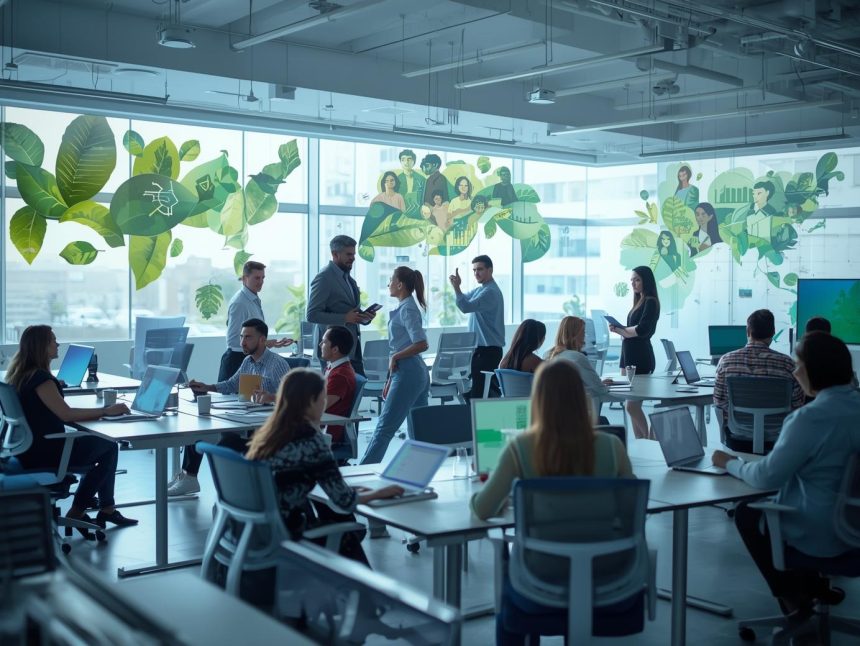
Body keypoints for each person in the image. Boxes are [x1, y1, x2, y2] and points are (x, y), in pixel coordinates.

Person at [712, 332, 860, 617]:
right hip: (855, 526)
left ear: (811, 370)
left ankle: (794, 598)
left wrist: (731, 463)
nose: (794, 371)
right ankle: (813, 585)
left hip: (823, 531)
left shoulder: (810, 419)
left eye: (797, 364)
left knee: (748, 513)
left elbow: (767, 477)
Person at [246, 369, 404, 566]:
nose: (325, 404)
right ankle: (361, 593)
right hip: (285, 530)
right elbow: (345, 501)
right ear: (311, 401)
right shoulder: (312, 442)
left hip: (255, 525)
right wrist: (381, 493)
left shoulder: (268, 434)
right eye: (322, 398)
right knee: (350, 530)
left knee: (332, 514)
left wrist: (351, 490)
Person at [5, 325, 138, 531]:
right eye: (52, 340)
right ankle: (79, 510)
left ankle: (107, 509)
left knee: (98, 443)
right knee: (109, 446)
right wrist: (105, 411)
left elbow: (54, 409)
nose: (57, 344)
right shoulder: (41, 379)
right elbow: (65, 414)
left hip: (26, 451)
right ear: (42, 346)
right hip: (47, 453)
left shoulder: (21, 375)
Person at [470, 360, 633, 521]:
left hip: (540, 546)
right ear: (582, 397)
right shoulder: (612, 446)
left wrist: (485, 499)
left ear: (537, 400)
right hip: (602, 545)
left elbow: (482, 510)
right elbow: (632, 502)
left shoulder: (519, 449)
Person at [170, 318, 291, 495]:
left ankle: (226, 490)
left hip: (267, 429)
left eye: (248, 337)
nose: (242, 342)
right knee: (200, 429)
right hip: (246, 419)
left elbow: (293, 396)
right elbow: (231, 384)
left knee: (222, 439)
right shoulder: (248, 361)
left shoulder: (277, 364)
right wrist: (208, 387)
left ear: (262, 340)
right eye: (241, 337)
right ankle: (190, 477)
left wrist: (271, 397)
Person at [360, 266, 430, 465]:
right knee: (417, 428)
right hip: (412, 372)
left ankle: (360, 474)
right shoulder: (406, 306)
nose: (388, 283)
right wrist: (392, 373)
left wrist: (395, 357)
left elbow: (421, 343)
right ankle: (418, 470)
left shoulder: (407, 308)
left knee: (384, 428)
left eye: (391, 280)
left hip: (409, 371)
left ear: (400, 285)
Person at [712, 309, 804, 443]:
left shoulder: (726, 361)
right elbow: (798, 404)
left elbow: (718, 401)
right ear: (773, 332)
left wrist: (738, 414)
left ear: (748, 331)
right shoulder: (788, 364)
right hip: (779, 436)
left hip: (738, 434)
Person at [307, 235, 375, 376]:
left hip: (352, 347)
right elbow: (312, 314)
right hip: (332, 349)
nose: (353, 258)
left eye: (353, 254)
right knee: (337, 395)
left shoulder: (348, 278)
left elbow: (350, 312)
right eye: (348, 254)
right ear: (335, 254)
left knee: (356, 391)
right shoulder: (324, 278)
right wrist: (345, 318)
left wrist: (364, 317)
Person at [218, 260, 293, 383]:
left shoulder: (252, 299)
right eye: (257, 278)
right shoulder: (240, 303)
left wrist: (267, 343)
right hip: (237, 360)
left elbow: (252, 335)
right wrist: (264, 343)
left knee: (250, 400)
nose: (261, 282)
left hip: (247, 358)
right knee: (231, 401)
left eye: (263, 278)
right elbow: (233, 339)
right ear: (244, 278)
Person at [608, 266, 660, 439]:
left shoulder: (650, 301)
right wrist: (620, 330)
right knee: (630, 405)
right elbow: (632, 330)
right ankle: (641, 442)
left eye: (637, 279)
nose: (633, 283)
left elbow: (642, 329)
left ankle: (648, 440)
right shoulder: (639, 301)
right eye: (632, 280)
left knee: (632, 405)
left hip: (640, 357)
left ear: (646, 280)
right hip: (630, 355)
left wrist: (620, 330)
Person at [450, 255, 505, 399]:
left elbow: (465, 306)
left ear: (490, 270)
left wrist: (456, 288)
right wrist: (458, 288)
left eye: (480, 269)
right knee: (480, 393)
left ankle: (481, 421)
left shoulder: (490, 292)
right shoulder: (482, 289)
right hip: (482, 351)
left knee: (480, 395)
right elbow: (464, 298)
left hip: (487, 352)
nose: (476, 273)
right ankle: (480, 420)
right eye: (474, 270)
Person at [545, 316, 611, 418]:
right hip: (579, 415)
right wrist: (603, 385)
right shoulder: (577, 358)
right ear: (574, 335)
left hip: (553, 413)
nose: (585, 336)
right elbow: (599, 389)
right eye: (583, 332)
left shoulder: (547, 355)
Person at [318, 325, 356, 448]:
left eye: (324, 342)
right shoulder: (333, 367)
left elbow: (318, 406)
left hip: (327, 432)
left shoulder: (340, 375)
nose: (320, 345)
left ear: (335, 349)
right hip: (319, 426)